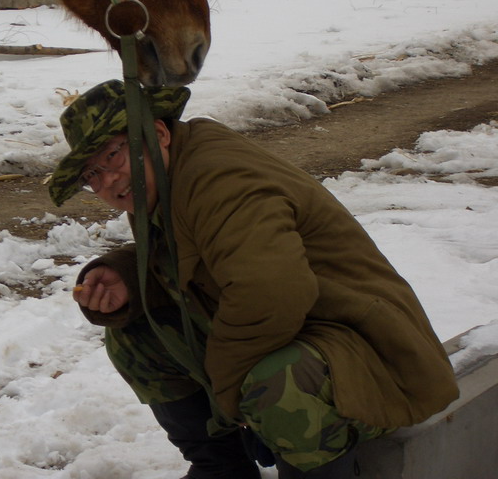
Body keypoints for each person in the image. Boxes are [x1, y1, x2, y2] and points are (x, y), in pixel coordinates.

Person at [48, 80, 459, 479]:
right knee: (135, 334)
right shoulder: (164, 178)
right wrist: (125, 276)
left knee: (277, 382)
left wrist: (231, 398)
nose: (108, 181)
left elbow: (272, 296)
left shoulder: (220, 179)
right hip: (304, 332)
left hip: (370, 349)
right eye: (92, 175)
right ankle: (221, 468)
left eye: (114, 156)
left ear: (157, 133)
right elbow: (198, 253)